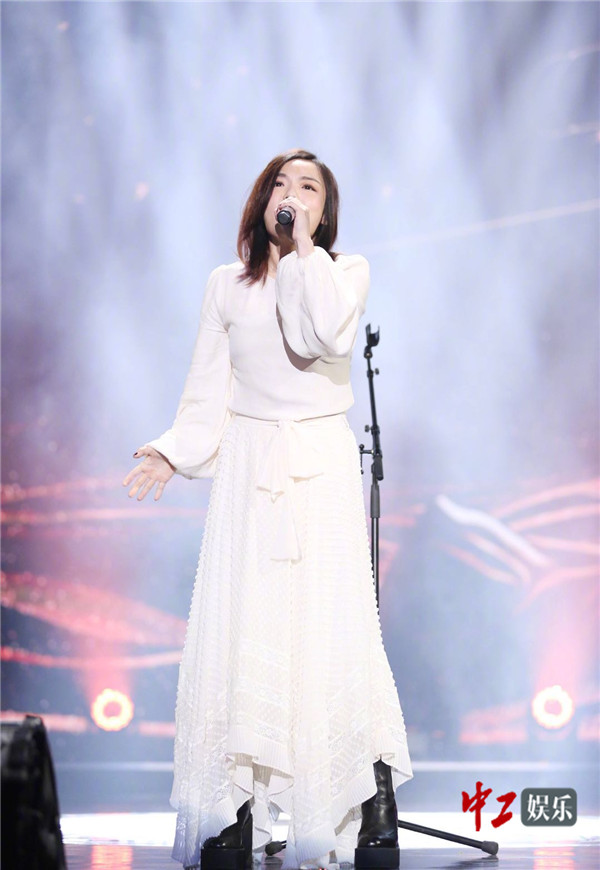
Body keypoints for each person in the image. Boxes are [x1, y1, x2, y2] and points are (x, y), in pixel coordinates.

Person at [123, 150, 412, 870]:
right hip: (250, 466)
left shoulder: (346, 272)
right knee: (247, 626)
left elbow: (325, 336)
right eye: (280, 184)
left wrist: (304, 253)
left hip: (318, 464)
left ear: (324, 210)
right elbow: (207, 386)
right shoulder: (226, 285)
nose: (292, 194)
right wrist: (172, 450)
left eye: (308, 187)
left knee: (330, 626)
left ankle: (369, 796)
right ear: (260, 201)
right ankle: (237, 809)